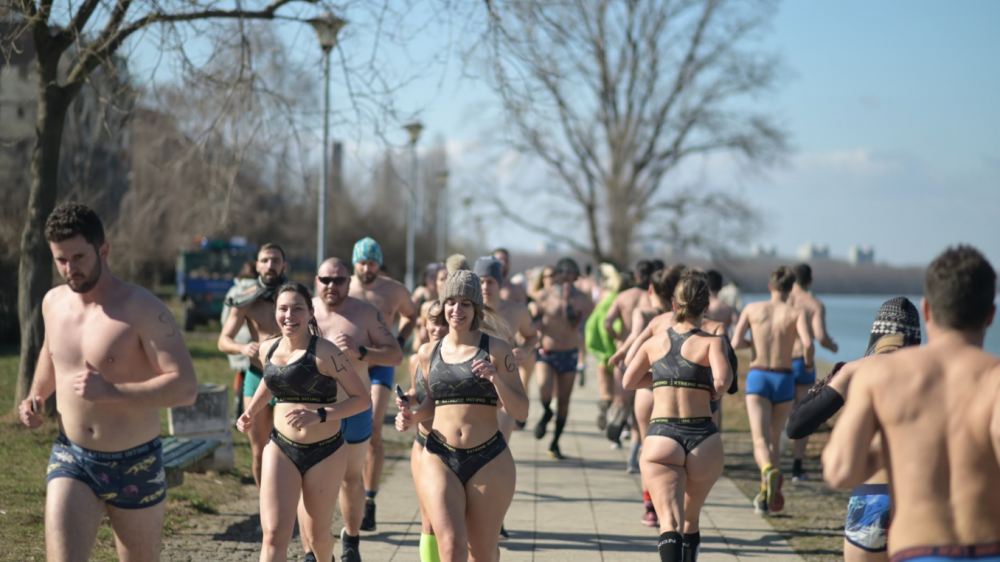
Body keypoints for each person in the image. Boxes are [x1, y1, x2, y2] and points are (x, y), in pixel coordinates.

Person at [19, 203, 198, 562]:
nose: (70, 269)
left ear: (104, 250)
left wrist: (111, 392)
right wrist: (36, 396)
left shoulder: (143, 309)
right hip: (73, 456)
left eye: (79, 257)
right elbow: (52, 353)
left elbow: (185, 387)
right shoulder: (53, 303)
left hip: (136, 462)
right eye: (60, 260)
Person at [824, 246, 1000, 562]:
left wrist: (898, 446)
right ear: (990, 315)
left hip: (917, 548)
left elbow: (839, 471)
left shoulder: (880, 376)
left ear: (928, 310)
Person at [396, 255, 528, 562]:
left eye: (465, 303)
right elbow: (432, 402)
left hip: (489, 459)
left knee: (481, 554)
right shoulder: (428, 352)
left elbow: (521, 411)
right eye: (451, 302)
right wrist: (412, 416)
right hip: (439, 455)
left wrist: (496, 378)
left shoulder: (496, 349)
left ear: (477, 309)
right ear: (442, 305)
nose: (457, 310)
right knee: (452, 547)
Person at [236, 283, 370, 562]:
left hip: (325, 451)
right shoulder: (267, 349)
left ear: (311, 312)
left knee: (317, 537)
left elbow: (362, 399)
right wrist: (250, 410)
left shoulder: (327, 353)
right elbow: (272, 381)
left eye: (297, 308)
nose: (289, 315)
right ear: (275, 312)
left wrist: (321, 414)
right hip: (281, 448)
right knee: (272, 534)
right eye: (283, 309)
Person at [787, 297, 922, 561]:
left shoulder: (857, 370)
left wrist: (830, 382)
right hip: (920, 501)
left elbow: (796, 425)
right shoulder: (933, 374)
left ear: (878, 335)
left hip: (871, 500)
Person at [622, 271, 733, 562]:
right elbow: (723, 381)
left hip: (662, 436)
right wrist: (709, 390)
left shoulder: (654, 343)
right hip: (703, 439)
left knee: (668, 522)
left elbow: (628, 382)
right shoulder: (713, 342)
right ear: (705, 307)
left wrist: (663, 379)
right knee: (690, 519)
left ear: (674, 306)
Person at [299, 258, 403, 562]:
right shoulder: (303, 311)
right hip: (314, 408)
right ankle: (310, 553)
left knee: (350, 478)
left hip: (354, 408)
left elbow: (395, 355)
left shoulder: (366, 313)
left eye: (339, 280)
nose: (332, 286)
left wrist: (362, 351)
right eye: (326, 280)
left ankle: (351, 539)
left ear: (349, 282)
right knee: (308, 480)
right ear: (317, 281)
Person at [348, 237, 417, 531]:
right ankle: (349, 488)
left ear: (379, 263)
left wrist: (398, 342)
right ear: (354, 263)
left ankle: (370, 498)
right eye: (362, 263)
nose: (367, 268)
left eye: (372, 263)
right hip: (349, 369)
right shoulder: (343, 286)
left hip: (380, 368)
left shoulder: (394, 289)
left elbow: (412, 315)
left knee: (374, 430)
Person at [731, 265, 813, 515]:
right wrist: (808, 363)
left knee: (759, 439)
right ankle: (767, 495)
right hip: (784, 378)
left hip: (758, 376)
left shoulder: (752, 308)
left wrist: (753, 343)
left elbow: (734, 342)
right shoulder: (795, 312)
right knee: (775, 438)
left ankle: (767, 473)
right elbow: (808, 344)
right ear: (790, 290)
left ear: (770, 287)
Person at [219, 243, 289, 487]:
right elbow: (223, 340)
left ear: (284, 266)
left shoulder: (295, 299)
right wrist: (242, 348)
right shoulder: (247, 299)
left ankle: (291, 510)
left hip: (289, 378)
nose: (270, 265)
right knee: (259, 450)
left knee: (289, 450)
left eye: (276, 261)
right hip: (256, 375)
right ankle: (265, 512)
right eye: (265, 260)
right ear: (257, 265)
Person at [400, 301, 448, 562]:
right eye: (433, 321)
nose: (438, 328)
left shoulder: (458, 358)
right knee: (427, 519)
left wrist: (415, 414)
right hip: (423, 444)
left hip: (452, 446)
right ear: (423, 324)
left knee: (453, 522)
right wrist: (407, 399)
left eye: (444, 322)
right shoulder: (416, 358)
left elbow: (438, 402)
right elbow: (419, 393)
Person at [533, 257, 595, 459]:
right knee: (544, 389)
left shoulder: (584, 299)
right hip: (547, 351)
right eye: (564, 271)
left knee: (564, 401)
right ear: (558, 274)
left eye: (571, 271)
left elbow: (575, 323)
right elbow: (536, 320)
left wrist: (568, 300)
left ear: (576, 275)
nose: (567, 275)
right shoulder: (544, 295)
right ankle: (545, 413)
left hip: (569, 352)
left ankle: (555, 442)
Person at [786, 263, 839, 481]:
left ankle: (772, 464)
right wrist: (833, 347)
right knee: (803, 414)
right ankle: (797, 467)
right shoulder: (814, 304)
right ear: (810, 281)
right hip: (803, 363)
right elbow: (820, 336)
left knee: (779, 414)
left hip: (781, 363)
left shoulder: (784, 301)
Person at [604, 260, 660, 443]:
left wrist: (617, 337)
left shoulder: (623, 297)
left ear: (636, 276)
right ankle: (636, 440)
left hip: (625, 350)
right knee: (642, 400)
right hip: (648, 353)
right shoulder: (654, 300)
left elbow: (607, 323)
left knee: (622, 398)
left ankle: (619, 416)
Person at [585, 263, 624, 431]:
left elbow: (595, 320)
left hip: (603, 348)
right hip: (618, 347)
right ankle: (616, 416)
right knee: (620, 390)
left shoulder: (603, 296)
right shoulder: (621, 297)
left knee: (603, 376)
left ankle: (605, 399)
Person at [222, 261, 259, 417]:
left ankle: (238, 413)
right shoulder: (260, 291)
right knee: (253, 379)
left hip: (237, 342)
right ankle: (245, 413)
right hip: (255, 342)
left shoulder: (234, 291)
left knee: (242, 379)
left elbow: (225, 318)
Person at [412, 263, 444, 349]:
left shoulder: (443, 297)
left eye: (436, 277)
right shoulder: (420, 294)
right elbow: (409, 316)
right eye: (431, 276)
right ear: (425, 278)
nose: (433, 280)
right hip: (422, 333)